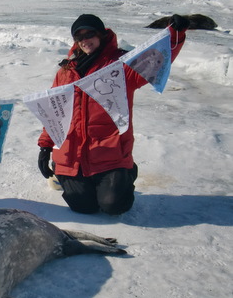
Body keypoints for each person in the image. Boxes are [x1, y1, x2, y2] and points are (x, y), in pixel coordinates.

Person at [37, 13, 190, 215]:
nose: (85, 40)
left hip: (109, 152)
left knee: (113, 205)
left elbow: (156, 59)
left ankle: (126, 172)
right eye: (79, 37)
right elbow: (54, 112)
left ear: (100, 34)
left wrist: (175, 34)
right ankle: (69, 175)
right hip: (72, 153)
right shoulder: (65, 71)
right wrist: (45, 146)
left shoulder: (121, 65)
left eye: (89, 34)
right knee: (84, 207)